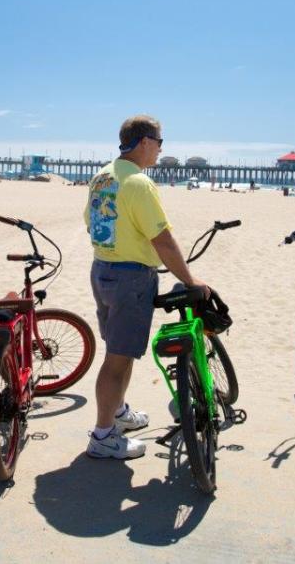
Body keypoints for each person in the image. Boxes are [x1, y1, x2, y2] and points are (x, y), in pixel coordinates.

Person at [83, 115, 209, 459]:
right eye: (159, 142)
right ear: (144, 141)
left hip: (102, 269)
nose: (161, 149)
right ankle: (103, 435)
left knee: (121, 351)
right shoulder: (138, 183)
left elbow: (91, 223)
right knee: (117, 359)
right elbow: (163, 240)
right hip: (130, 278)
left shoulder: (101, 176)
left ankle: (119, 413)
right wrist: (189, 279)